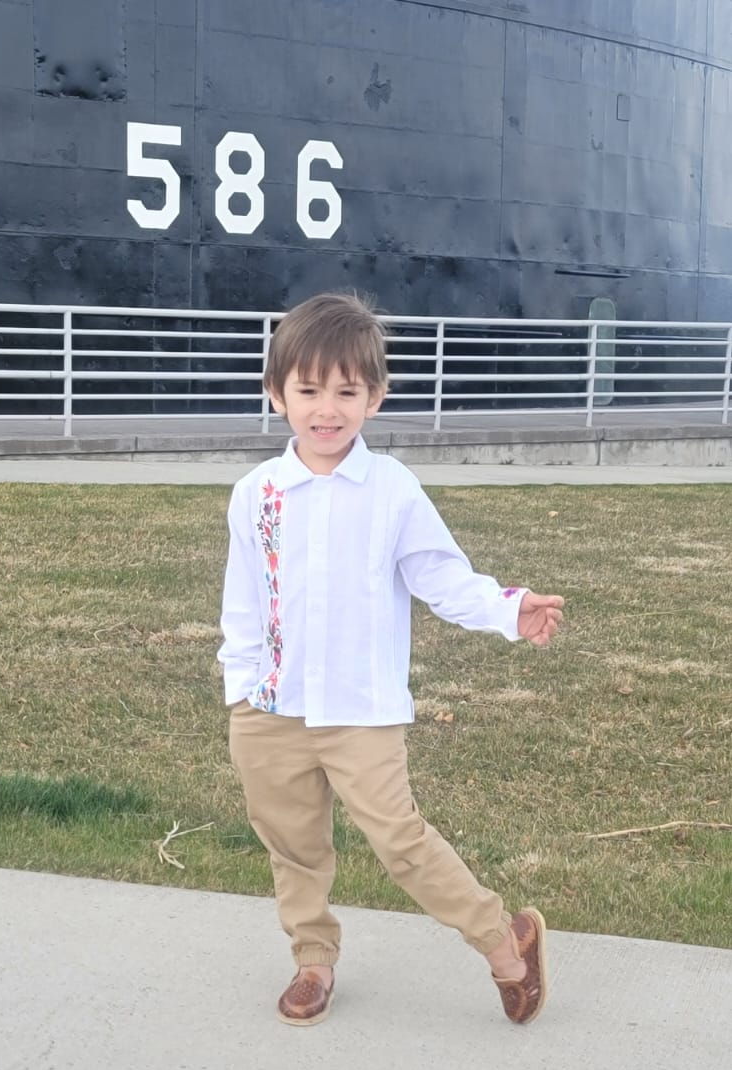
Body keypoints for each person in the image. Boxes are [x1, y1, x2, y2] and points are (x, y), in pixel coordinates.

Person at [218, 292, 564, 1028]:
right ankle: (312, 961)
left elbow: (440, 577)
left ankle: (505, 943)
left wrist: (509, 606)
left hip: (360, 710)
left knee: (401, 841)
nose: (326, 408)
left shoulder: (392, 491)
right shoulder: (255, 495)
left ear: (374, 396)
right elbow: (242, 604)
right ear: (276, 391)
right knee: (294, 844)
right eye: (308, 390)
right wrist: (238, 693)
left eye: (346, 391)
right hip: (268, 708)